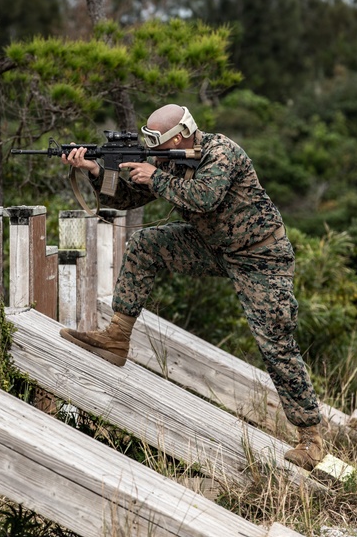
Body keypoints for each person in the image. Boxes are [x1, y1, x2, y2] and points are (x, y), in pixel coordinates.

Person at [58, 103, 325, 472]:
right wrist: (92, 170)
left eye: (156, 139)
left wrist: (156, 176)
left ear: (179, 135)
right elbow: (123, 199)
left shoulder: (221, 152)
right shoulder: (168, 160)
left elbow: (204, 197)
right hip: (213, 246)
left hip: (261, 255)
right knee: (144, 246)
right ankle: (117, 337)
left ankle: (311, 439)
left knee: (275, 343)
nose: (151, 145)